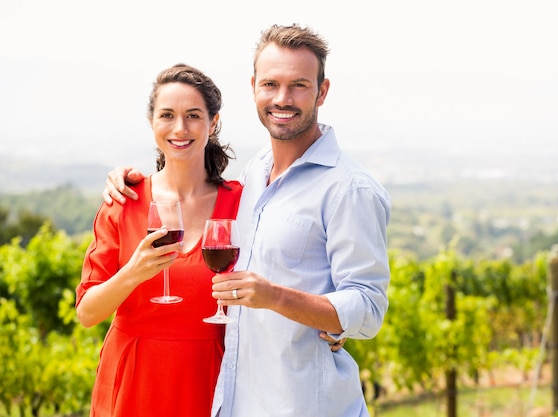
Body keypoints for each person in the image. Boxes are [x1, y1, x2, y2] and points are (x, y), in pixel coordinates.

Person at [103, 24, 391, 417]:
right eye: (271, 84)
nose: (282, 99)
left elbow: (368, 308)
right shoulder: (256, 173)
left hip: (307, 405)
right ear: (254, 86)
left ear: (322, 91)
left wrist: (280, 299)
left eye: (299, 85)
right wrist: (130, 177)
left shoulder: (349, 188)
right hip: (238, 402)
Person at [76, 63, 243, 417]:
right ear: (153, 123)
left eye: (193, 115)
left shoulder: (240, 202)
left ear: (213, 123)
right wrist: (134, 272)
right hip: (132, 382)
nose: (180, 128)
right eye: (167, 115)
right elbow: (88, 312)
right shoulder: (124, 201)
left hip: (209, 381)